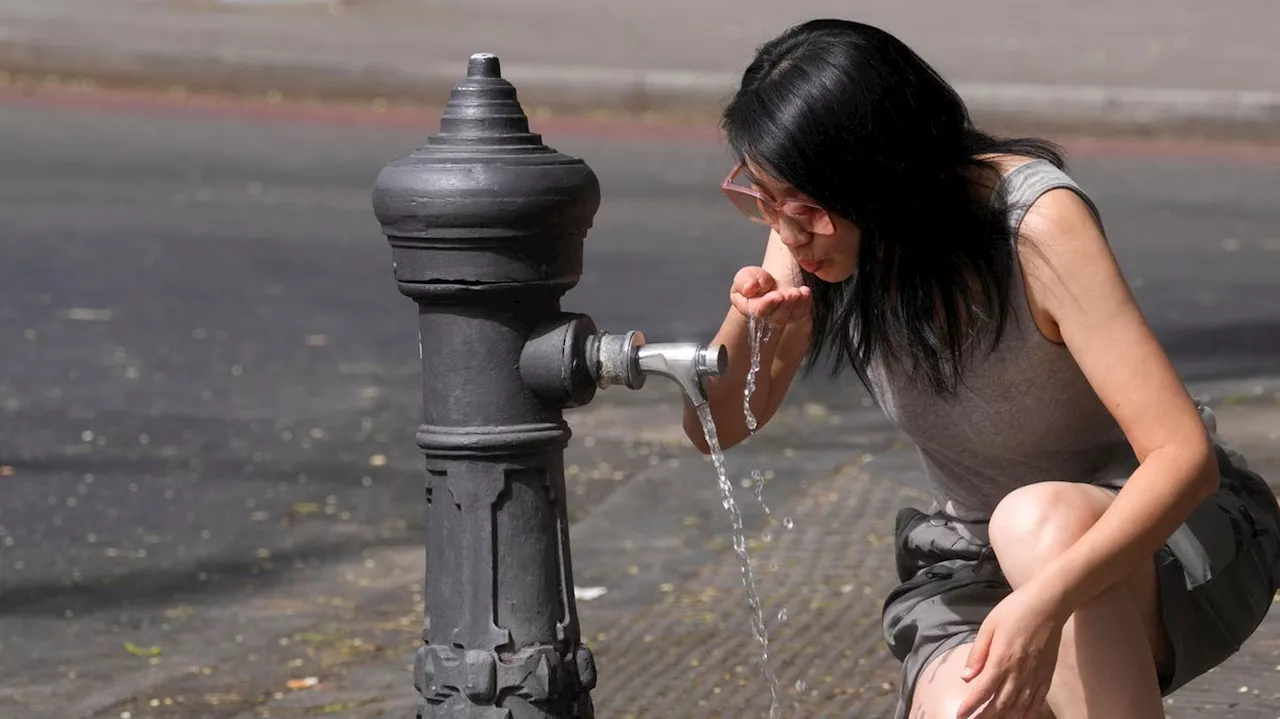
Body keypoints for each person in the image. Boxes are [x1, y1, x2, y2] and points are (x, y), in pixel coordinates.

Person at [680, 18, 1280, 719]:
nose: (785, 231)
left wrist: (1042, 604)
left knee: (1036, 521)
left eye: (804, 207)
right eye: (763, 198)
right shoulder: (811, 233)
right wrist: (752, 324)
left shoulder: (1036, 223)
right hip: (974, 561)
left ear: (880, 178)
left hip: (1155, 538)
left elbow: (1183, 459)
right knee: (968, 707)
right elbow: (713, 427)